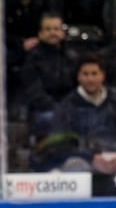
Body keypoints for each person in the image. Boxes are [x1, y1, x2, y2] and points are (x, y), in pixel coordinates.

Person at [40, 52, 116, 174]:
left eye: (94, 74)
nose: (90, 79)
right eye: (85, 74)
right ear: (78, 77)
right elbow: (60, 146)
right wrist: (91, 157)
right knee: (75, 166)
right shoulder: (66, 107)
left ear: (103, 75)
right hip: (82, 162)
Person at [19, 11, 79, 142]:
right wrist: (60, 110)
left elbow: (78, 88)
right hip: (43, 110)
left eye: (56, 29)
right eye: (48, 29)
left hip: (69, 108)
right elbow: (35, 94)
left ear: (63, 33)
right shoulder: (32, 59)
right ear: (40, 34)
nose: (53, 33)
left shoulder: (72, 57)